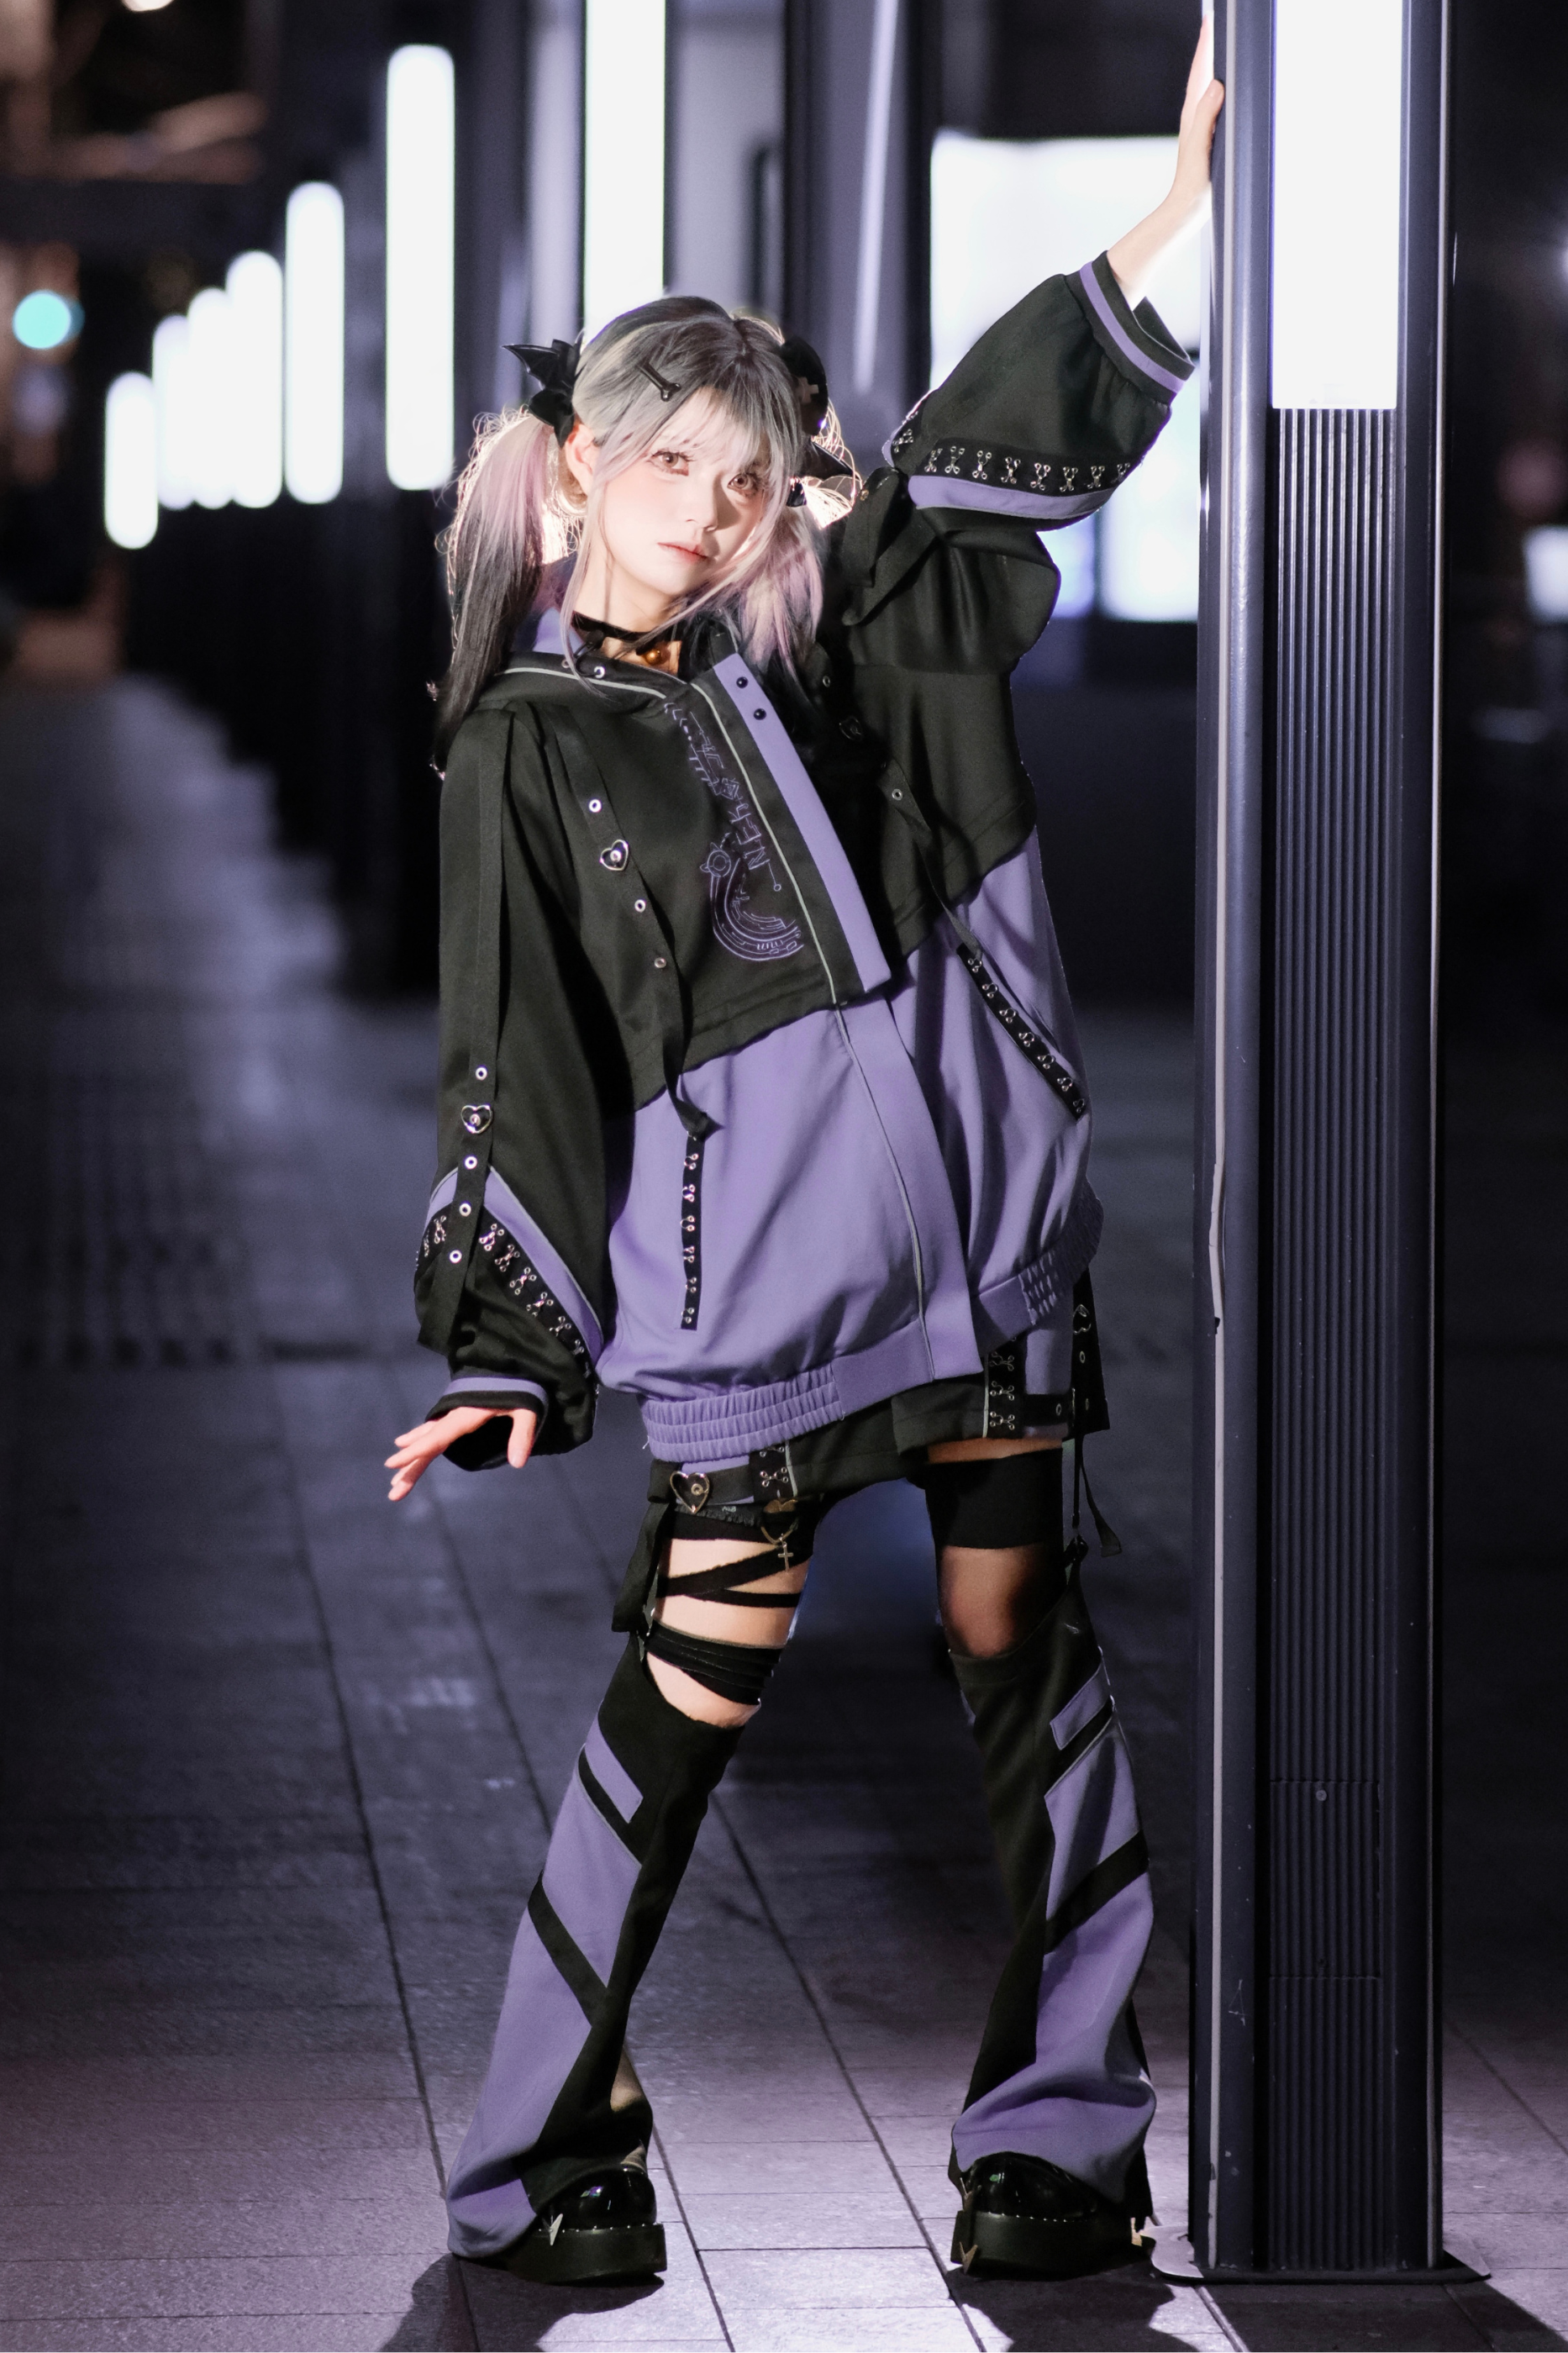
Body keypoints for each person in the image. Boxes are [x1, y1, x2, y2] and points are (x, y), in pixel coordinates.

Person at [387, 27, 1223, 2287]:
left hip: (992, 1254)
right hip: (758, 1301)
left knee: (1021, 1642)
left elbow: (971, 479)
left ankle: (1064, 2133)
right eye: (669, 461)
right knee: (685, 1693)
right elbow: (517, 1053)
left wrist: (1172, 215)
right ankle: (538, 2139)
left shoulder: (856, 641)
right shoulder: (526, 743)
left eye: (750, 477)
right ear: (576, 468)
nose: (708, 508)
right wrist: (506, 1344)